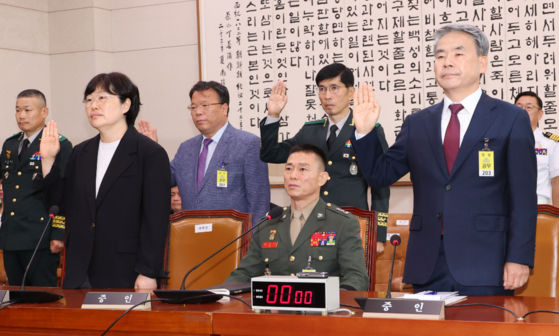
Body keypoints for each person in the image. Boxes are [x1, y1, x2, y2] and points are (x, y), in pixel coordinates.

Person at [350, 24, 536, 295]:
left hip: (487, 262)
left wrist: (518, 257)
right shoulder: (417, 123)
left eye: (458, 54)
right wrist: (364, 132)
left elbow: (523, 197)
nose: (447, 61)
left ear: (482, 63)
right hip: (427, 262)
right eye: (439, 56)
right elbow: (380, 175)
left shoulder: (510, 118)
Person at [37, 72, 171, 289]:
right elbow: (60, 205)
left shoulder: (149, 153)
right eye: (88, 100)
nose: (93, 106)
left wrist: (148, 271)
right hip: (80, 269)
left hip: (125, 270)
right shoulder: (81, 152)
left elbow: (155, 220)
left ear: (126, 105)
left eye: (102, 98)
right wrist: (48, 160)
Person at [260, 64, 390, 253]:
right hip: (310, 224)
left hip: (352, 223)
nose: (327, 95)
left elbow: (381, 185)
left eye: (334, 88)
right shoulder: (310, 130)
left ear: (351, 92)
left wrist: (378, 235)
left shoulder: (369, 129)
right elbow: (270, 154)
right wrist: (273, 115)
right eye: (322, 89)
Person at [225, 144, 369, 291]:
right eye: (288, 169)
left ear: (322, 178)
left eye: (302, 169)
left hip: (322, 310)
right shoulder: (269, 223)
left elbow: (356, 278)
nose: (293, 175)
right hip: (275, 310)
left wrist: (331, 300)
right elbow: (244, 274)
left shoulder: (341, 223)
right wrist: (218, 293)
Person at [138, 81, 270, 226]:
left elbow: (259, 203)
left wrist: (254, 244)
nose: (198, 111)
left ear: (224, 108)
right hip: (191, 239)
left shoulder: (248, 144)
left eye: (205, 105)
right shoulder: (186, 148)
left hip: (233, 241)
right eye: (193, 107)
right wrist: (151, 151)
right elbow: (161, 181)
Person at [0, 89, 72, 287]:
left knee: (42, 296)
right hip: (11, 234)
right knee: (14, 296)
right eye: (17, 110)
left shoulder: (60, 144)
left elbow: (64, 193)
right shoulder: (10, 144)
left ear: (44, 111)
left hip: (40, 235)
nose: (21, 115)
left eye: (27, 110)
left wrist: (58, 233)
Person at [515, 91, 559, 206]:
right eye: (518, 107)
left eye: (528, 107)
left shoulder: (551, 143)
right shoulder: (502, 140)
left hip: (539, 205)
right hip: (507, 207)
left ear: (540, 114)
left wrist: (556, 217)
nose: (522, 111)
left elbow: (556, 182)